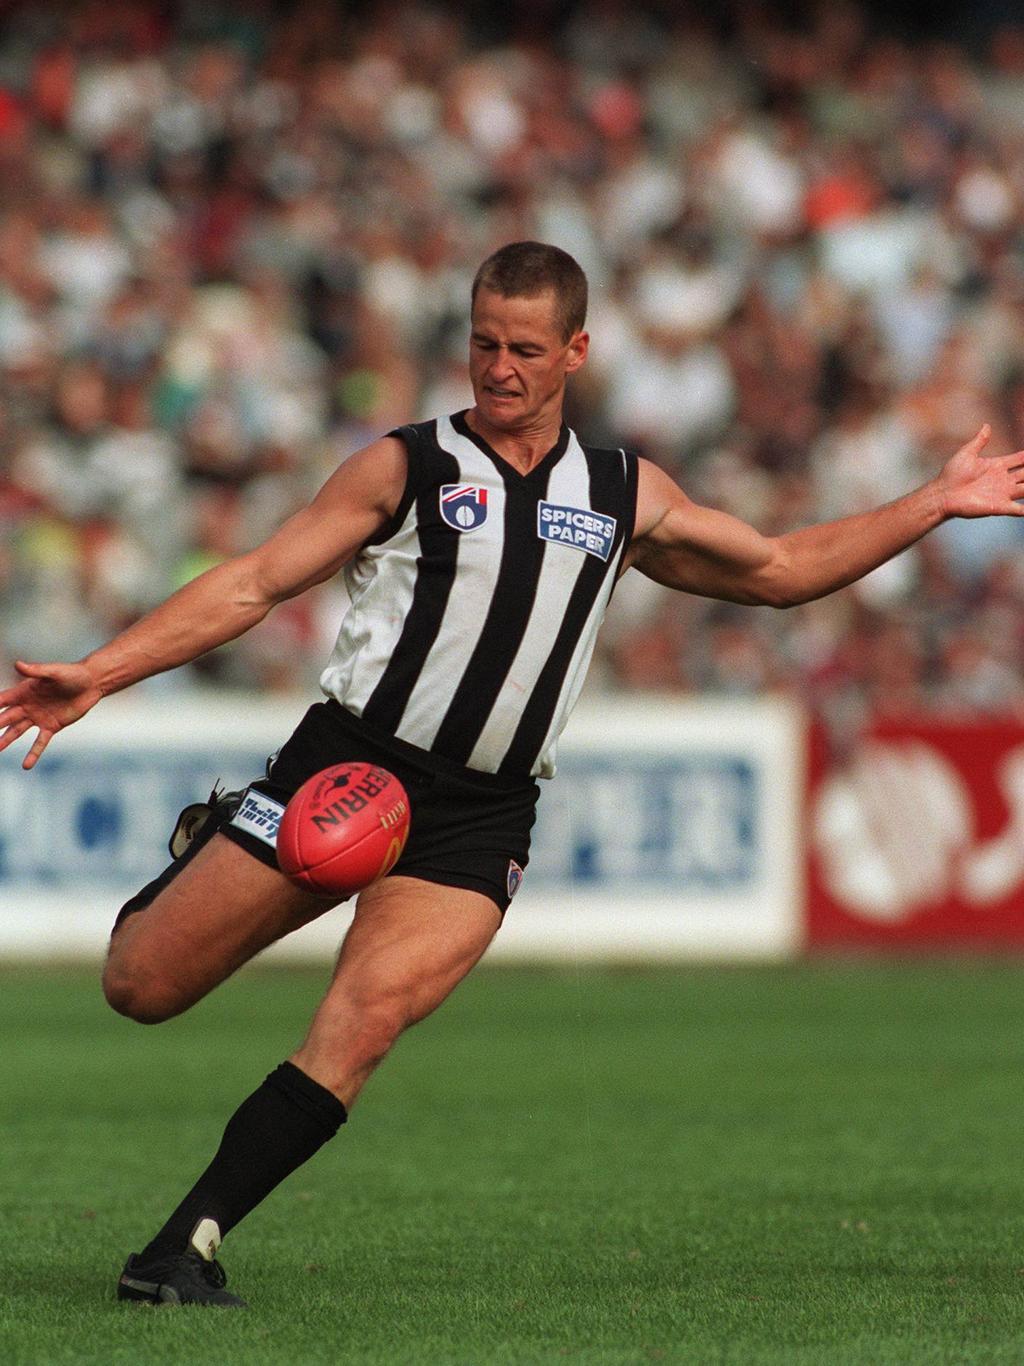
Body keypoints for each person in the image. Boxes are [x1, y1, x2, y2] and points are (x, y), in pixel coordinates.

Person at [1, 242, 1022, 1308]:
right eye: (483, 342)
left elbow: (777, 571)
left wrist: (932, 502)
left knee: (364, 1022)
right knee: (140, 986)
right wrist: (102, 674)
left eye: (524, 348)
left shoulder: (621, 491)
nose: (498, 367)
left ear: (575, 350)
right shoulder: (406, 467)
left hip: (480, 812)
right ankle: (219, 833)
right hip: (350, 768)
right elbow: (254, 582)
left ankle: (182, 1247)